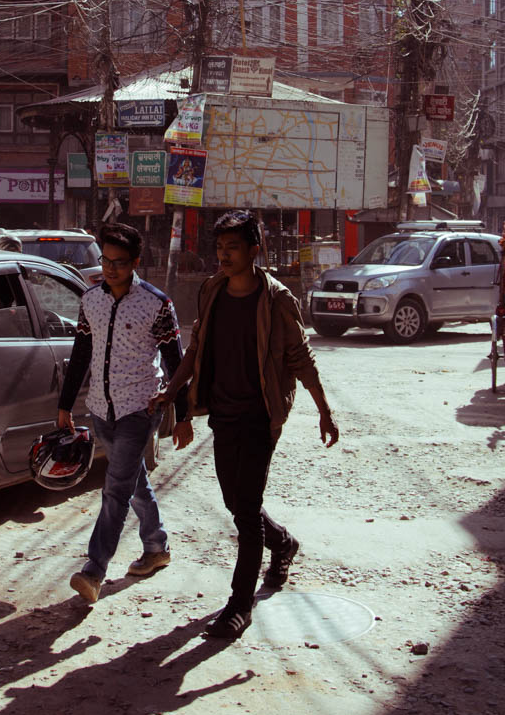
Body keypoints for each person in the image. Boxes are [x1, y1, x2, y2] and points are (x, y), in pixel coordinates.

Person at [156, 209, 339, 641]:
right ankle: (283, 543)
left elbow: (300, 357)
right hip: (223, 414)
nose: (223, 255)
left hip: (260, 416)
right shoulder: (212, 290)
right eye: (219, 247)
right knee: (237, 503)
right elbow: (197, 345)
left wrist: (324, 409)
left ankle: (240, 605)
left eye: (232, 248)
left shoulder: (276, 300)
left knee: (245, 513)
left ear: (254, 250)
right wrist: (172, 391)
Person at [57, 222, 183, 605]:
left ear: (136, 262)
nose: (110, 269)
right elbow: (80, 353)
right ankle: (156, 546)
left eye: (119, 262)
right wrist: (65, 404)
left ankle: (94, 570)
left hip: (139, 409)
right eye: (105, 261)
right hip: (100, 408)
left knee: (114, 489)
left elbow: (176, 361)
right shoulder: (90, 300)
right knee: (132, 482)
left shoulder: (157, 303)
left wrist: (185, 412)